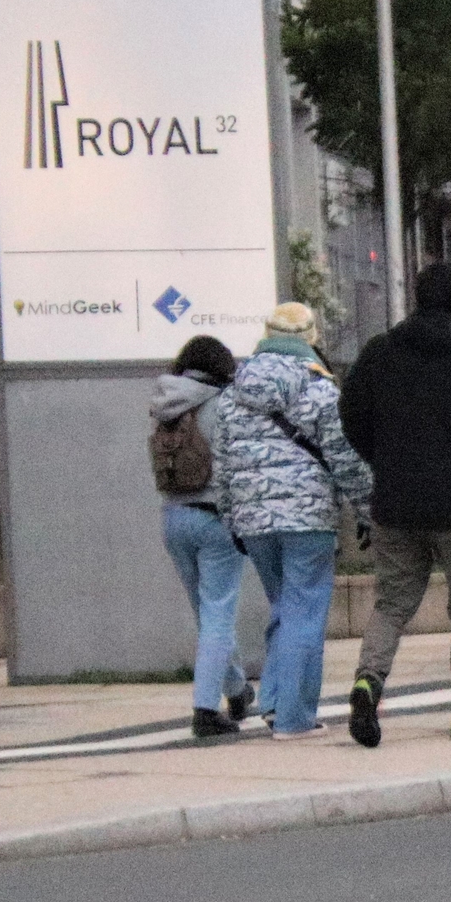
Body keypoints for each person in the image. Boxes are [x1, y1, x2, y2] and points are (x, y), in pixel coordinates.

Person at [339, 262, 451, 746]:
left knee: (391, 603)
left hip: (395, 499)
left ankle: (368, 680)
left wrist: (382, 458)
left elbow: (351, 413)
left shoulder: (380, 353)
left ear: (414, 296)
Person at [213, 303, 371, 739]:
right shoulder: (321, 392)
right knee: (304, 613)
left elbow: (222, 466)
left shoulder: (232, 395)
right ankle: (295, 719)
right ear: (312, 337)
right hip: (307, 518)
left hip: (252, 520)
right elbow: (345, 459)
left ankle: (276, 702)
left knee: (284, 607)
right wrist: (366, 509)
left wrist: (232, 520)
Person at [150, 335, 252, 737]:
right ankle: (206, 710)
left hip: (174, 515)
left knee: (207, 614)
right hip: (215, 518)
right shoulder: (223, 403)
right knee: (218, 615)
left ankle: (237, 688)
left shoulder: (165, 403)